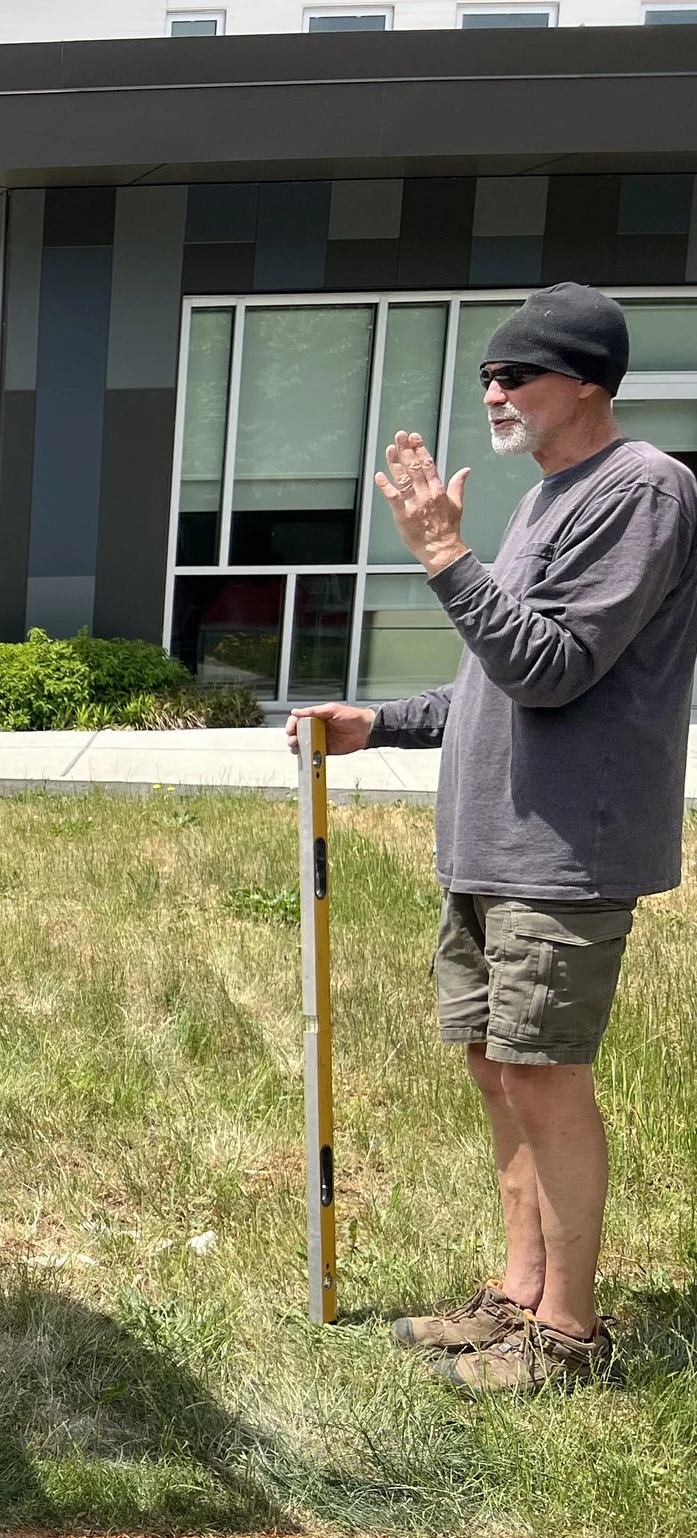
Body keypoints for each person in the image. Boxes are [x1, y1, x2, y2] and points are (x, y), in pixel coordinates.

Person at [290, 282, 697, 1394]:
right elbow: (490, 677)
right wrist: (380, 722)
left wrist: (438, 554)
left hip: (561, 853)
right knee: (494, 1067)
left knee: (544, 1075)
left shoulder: (642, 490)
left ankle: (565, 1336)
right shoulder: (543, 500)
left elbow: (552, 667)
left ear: (588, 383)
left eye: (517, 373)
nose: (494, 391)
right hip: (486, 846)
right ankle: (515, 1297)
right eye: (486, 373)